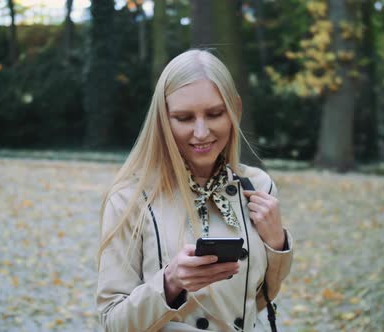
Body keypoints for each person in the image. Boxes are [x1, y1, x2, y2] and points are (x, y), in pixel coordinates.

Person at [97, 49, 293, 331]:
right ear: (163, 119)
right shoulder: (129, 198)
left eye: (214, 114)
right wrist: (170, 282)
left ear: (235, 109)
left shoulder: (258, 186)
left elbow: (263, 299)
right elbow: (112, 322)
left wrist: (277, 244)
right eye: (184, 118)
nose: (201, 132)